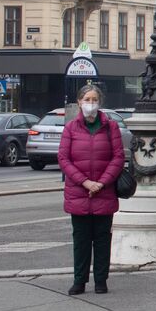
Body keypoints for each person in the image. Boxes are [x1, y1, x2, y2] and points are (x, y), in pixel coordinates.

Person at [58, 85, 124, 295]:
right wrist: (86, 182)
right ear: (79, 102)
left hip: (104, 191)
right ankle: (79, 281)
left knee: (103, 239)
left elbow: (118, 158)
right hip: (79, 192)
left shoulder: (110, 127)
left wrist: (102, 183)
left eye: (94, 99)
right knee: (81, 240)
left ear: (100, 102)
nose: (91, 103)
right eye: (87, 99)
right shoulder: (70, 128)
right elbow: (64, 159)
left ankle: (101, 281)